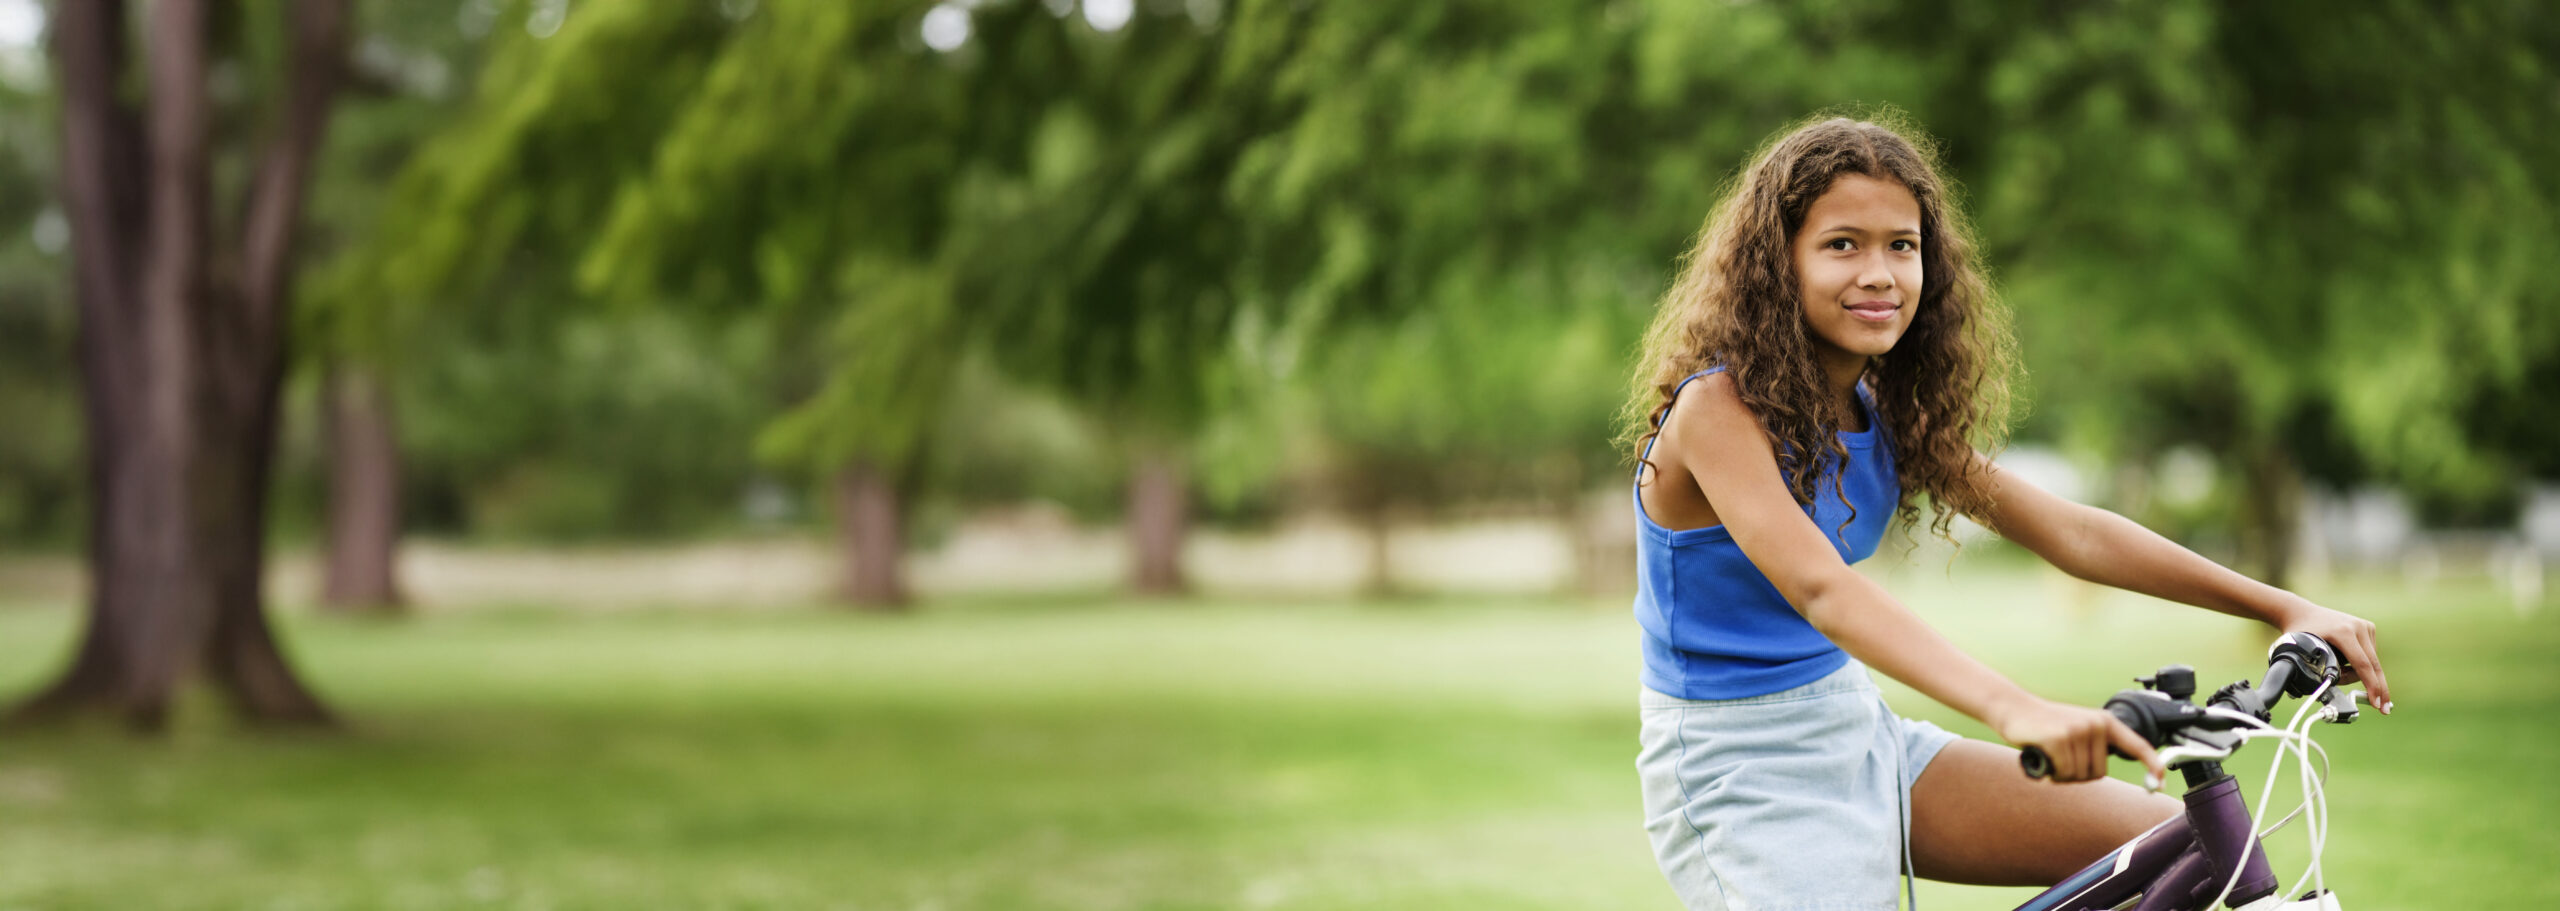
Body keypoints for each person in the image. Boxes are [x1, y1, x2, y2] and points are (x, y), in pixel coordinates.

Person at [1622, 113, 2394, 910]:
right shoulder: (1715, 410)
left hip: (1855, 728)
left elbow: (2072, 531)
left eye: (1902, 245)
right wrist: (2016, 709)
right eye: (1842, 244)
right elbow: (1824, 590)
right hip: (1738, 765)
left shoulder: (1882, 407)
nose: (1881, 272)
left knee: (2177, 841)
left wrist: (2280, 603)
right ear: (1776, 263)